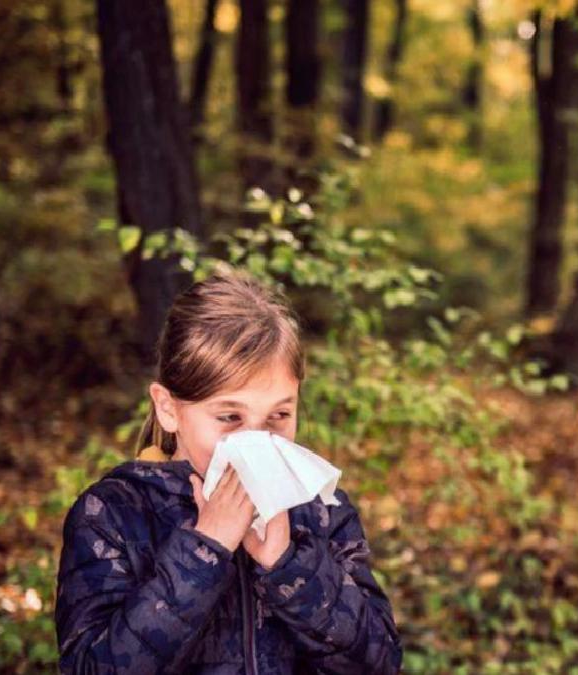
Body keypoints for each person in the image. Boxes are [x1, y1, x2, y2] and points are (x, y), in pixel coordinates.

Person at [55, 271, 402, 674]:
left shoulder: (321, 509)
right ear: (168, 409)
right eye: (229, 416)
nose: (255, 440)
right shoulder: (113, 514)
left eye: (279, 415)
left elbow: (379, 663)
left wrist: (290, 564)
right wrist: (205, 549)